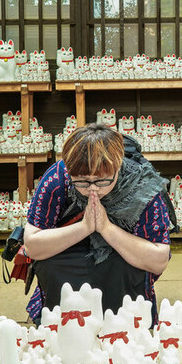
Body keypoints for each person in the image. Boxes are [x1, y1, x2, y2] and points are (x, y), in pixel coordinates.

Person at [23, 123, 171, 325]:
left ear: (118, 165)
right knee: (50, 265)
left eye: (102, 181)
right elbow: (32, 246)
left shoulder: (142, 186)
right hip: (69, 249)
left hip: (121, 254)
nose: (93, 190)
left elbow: (159, 260)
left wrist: (106, 228)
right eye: (82, 182)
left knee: (122, 267)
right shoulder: (57, 177)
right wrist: (84, 227)